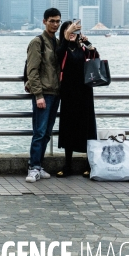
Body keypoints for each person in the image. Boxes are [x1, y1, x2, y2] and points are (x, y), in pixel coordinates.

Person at [55, 20, 98, 178]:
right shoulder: (63, 47)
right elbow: (58, 57)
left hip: (85, 93)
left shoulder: (83, 48)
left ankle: (89, 164)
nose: (72, 32)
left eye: (75, 30)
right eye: (68, 29)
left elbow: (95, 58)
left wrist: (87, 43)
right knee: (68, 128)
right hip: (68, 94)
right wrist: (67, 38)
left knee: (87, 128)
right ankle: (67, 165)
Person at [24, 8, 62, 183]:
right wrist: (38, 95)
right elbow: (32, 71)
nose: (55, 24)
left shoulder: (58, 43)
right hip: (43, 94)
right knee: (39, 132)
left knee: (47, 132)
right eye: (52, 21)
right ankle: (33, 167)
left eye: (58, 21)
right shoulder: (37, 42)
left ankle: (39, 165)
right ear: (44, 21)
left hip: (56, 93)